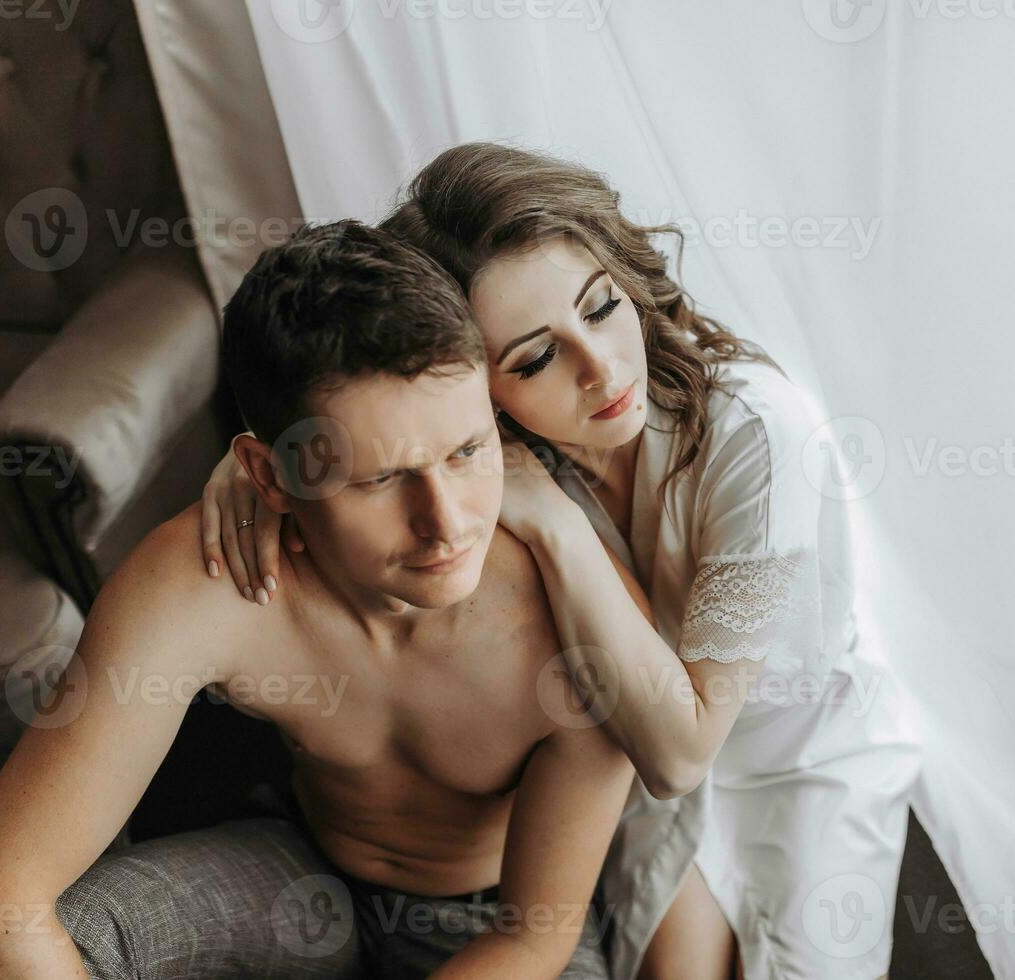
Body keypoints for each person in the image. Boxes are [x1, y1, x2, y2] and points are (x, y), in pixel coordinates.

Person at [200, 144, 918, 980]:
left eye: (603, 306)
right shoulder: (483, 449)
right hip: (635, 767)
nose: (603, 367)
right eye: (536, 359)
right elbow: (354, 396)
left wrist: (554, 524)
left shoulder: (759, 441)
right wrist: (253, 467)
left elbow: (684, 751)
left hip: (790, 757)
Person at [0, 220, 641, 980]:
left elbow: (534, 941)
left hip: (494, 923)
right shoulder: (203, 577)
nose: (447, 523)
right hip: (296, 870)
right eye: (379, 480)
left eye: (467, 452)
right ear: (267, 477)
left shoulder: (583, 618)